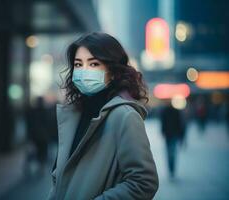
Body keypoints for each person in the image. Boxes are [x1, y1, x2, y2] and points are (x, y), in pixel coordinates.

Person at [47, 32, 159, 200]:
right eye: (78, 64)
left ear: (113, 71)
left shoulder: (124, 116)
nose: (83, 71)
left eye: (93, 64)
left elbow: (144, 182)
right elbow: (60, 178)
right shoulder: (75, 113)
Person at [160, 100, 185, 180]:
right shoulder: (176, 111)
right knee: (172, 152)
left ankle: (171, 170)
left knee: (169, 153)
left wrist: (163, 132)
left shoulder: (164, 111)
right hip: (174, 134)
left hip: (168, 135)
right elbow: (179, 124)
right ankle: (172, 170)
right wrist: (181, 136)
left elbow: (163, 123)